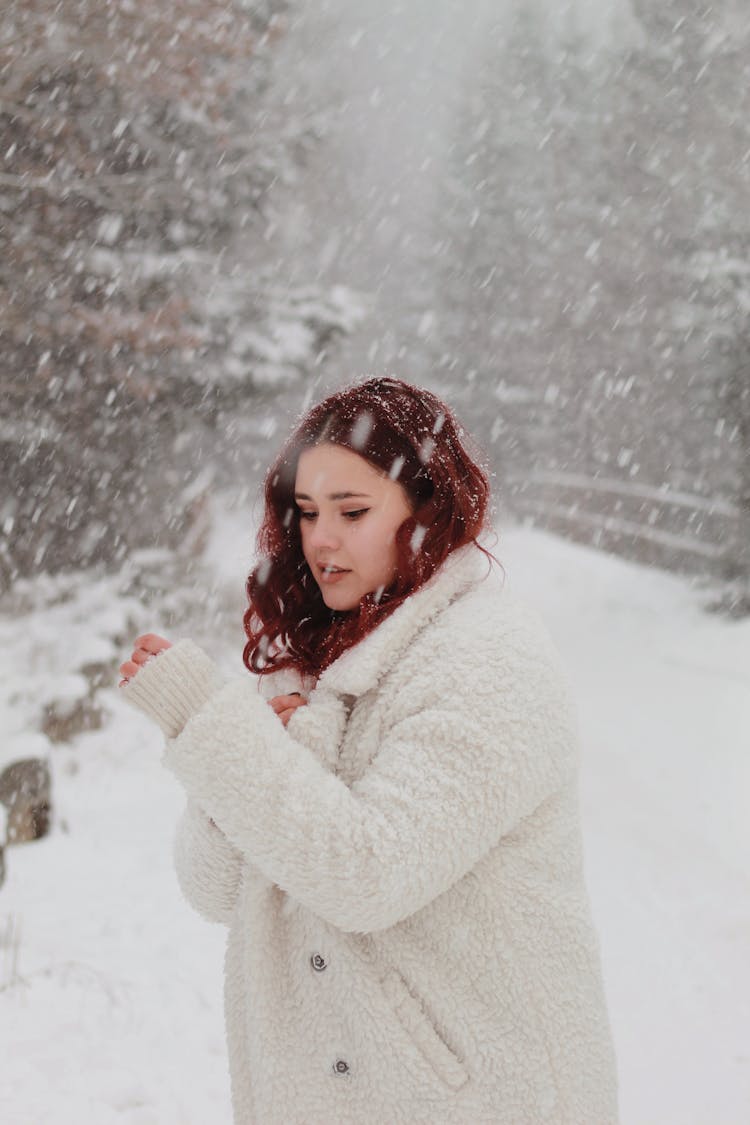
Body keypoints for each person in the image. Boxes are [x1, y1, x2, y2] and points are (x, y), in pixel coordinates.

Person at [119, 376, 619, 1124]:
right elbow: (216, 890)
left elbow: (367, 873)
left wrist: (211, 723)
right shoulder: (309, 657)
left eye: (353, 511)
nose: (322, 538)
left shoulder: (486, 658)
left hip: (484, 1101)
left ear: (428, 509)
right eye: (308, 512)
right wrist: (249, 749)